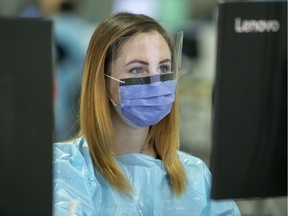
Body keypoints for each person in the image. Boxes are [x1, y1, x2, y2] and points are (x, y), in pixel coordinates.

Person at [53, 12, 241, 215]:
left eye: (163, 68)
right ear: (102, 79)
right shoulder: (64, 170)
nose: (155, 82)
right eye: (136, 70)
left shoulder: (196, 176)